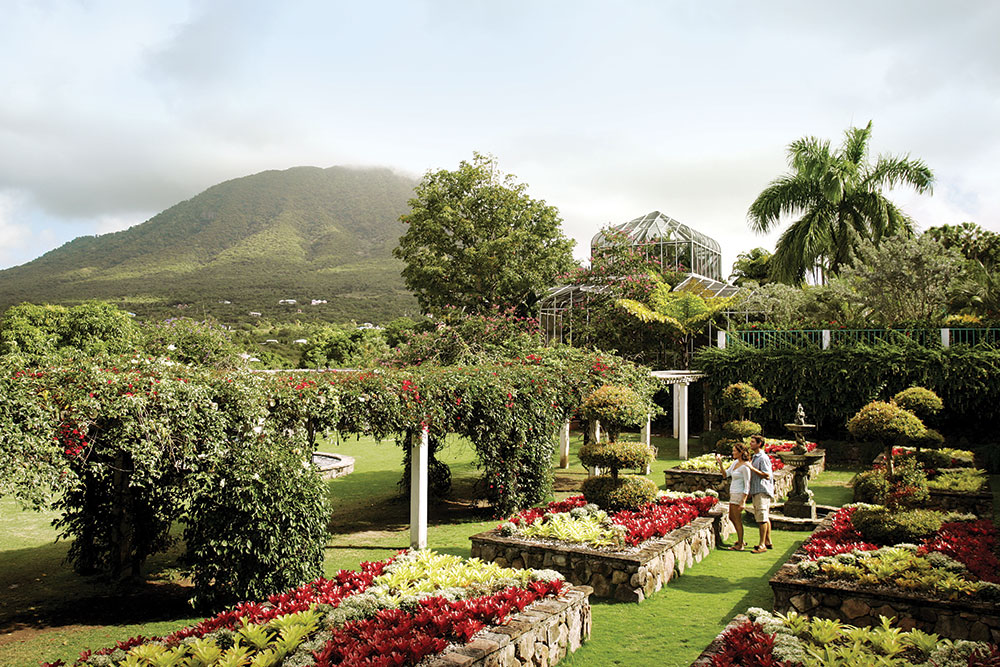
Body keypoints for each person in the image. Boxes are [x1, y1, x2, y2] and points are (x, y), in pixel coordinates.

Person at [716, 442, 751, 551]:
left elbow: (747, 484)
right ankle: (741, 540)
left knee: (737, 519)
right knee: (732, 517)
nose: (733, 453)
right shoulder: (735, 463)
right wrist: (720, 463)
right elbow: (725, 474)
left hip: (739, 494)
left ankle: (740, 544)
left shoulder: (745, 466)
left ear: (741, 452)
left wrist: (743, 501)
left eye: (735, 451)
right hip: (733, 493)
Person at [747, 434, 775, 554]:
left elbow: (767, 474)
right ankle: (768, 541)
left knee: (762, 518)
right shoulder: (755, 457)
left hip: (762, 490)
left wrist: (752, 468)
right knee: (764, 517)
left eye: (753, 442)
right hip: (757, 490)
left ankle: (762, 544)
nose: (750, 444)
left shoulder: (763, 458)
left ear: (759, 444)